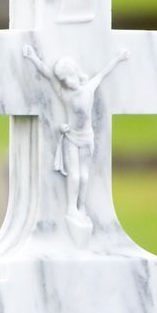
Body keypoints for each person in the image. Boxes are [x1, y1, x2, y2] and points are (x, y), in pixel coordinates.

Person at [23, 44, 130, 233]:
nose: (68, 82)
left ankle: (81, 207)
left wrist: (119, 58)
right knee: (74, 175)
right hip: (71, 137)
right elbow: (48, 75)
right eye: (64, 80)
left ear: (75, 72)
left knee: (84, 175)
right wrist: (32, 57)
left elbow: (104, 73)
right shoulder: (64, 94)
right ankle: (71, 208)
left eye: (69, 77)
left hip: (87, 138)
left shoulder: (89, 88)